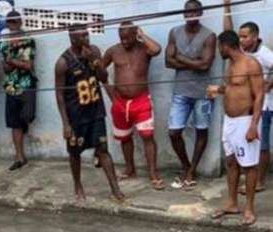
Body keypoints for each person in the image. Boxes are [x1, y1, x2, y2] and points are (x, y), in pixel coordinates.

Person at [55, 24, 124, 203]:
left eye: (87, 35)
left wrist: (94, 60)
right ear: (73, 38)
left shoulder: (94, 51)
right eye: (83, 36)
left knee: (103, 150)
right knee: (75, 153)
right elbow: (60, 95)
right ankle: (78, 185)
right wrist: (66, 124)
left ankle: (115, 189)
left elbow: (103, 77)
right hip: (76, 117)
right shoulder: (63, 63)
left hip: (96, 112)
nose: (87, 38)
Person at [208, 30, 264, 226]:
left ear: (225, 46)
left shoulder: (251, 64)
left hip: (246, 120)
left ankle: (249, 208)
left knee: (249, 166)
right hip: (229, 122)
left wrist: (253, 126)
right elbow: (234, 88)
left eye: (219, 47)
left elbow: (259, 95)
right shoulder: (230, 64)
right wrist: (218, 89)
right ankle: (232, 203)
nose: (218, 51)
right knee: (231, 162)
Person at [102, 21, 164, 190]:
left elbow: (157, 50)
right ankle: (130, 169)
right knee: (124, 137)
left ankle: (153, 173)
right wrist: (110, 93)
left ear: (135, 35)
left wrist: (142, 36)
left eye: (127, 38)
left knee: (147, 136)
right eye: (121, 38)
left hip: (141, 100)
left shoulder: (144, 49)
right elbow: (100, 71)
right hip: (120, 102)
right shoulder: (113, 51)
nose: (124, 42)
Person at [165, 0, 216, 190]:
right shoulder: (174, 32)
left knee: (201, 130)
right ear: (183, 13)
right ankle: (186, 166)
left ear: (201, 13)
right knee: (174, 132)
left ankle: (192, 170)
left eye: (195, 12)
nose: (190, 15)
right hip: (181, 91)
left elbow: (205, 65)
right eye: (187, 12)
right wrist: (194, 62)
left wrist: (179, 57)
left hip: (202, 93)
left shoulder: (209, 35)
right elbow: (168, 62)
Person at [223, 0, 273, 192]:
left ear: (255, 37)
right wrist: (226, 7)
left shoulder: (264, 54)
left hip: (263, 104)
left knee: (262, 144)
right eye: (240, 37)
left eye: (245, 37)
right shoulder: (241, 52)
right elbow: (227, 33)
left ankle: (259, 181)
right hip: (243, 110)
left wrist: (270, 83)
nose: (241, 40)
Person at [0, 11, 36, 171]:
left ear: (20, 22)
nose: (12, 25)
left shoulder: (29, 40)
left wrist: (12, 61)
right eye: (10, 22)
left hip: (26, 86)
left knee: (27, 117)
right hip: (11, 87)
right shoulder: (4, 42)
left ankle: (22, 153)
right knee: (15, 124)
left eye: (15, 22)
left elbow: (28, 65)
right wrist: (15, 62)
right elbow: (5, 68)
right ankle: (19, 157)